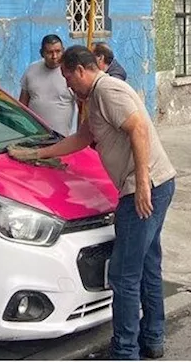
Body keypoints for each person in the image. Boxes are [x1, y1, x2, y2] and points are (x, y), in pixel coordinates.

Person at [10, 46, 177, 361]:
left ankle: (125, 351)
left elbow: (138, 129)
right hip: (157, 184)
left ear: (79, 70)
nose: (69, 87)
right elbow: (82, 138)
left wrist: (141, 183)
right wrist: (35, 154)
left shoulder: (108, 91)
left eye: (69, 79)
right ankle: (152, 339)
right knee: (148, 265)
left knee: (124, 275)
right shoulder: (94, 99)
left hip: (143, 190)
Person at [19, 34, 76, 136]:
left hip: (61, 139)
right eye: (50, 52)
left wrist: (79, 135)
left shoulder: (70, 73)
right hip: (33, 136)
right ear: (42, 53)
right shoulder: (31, 70)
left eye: (58, 51)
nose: (54, 56)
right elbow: (22, 104)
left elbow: (82, 108)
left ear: (63, 50)